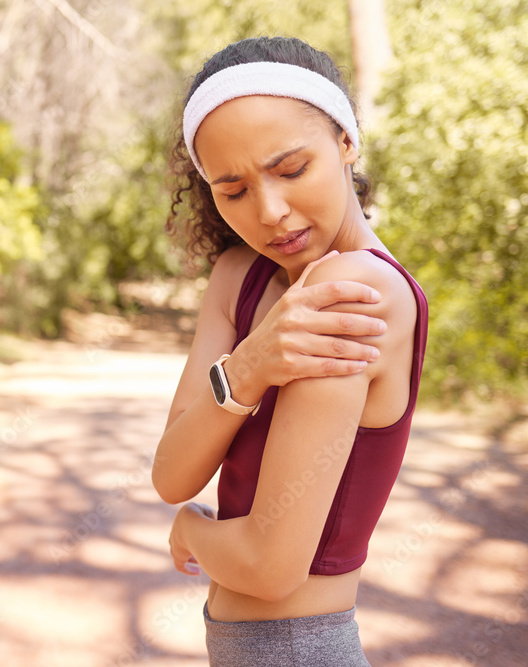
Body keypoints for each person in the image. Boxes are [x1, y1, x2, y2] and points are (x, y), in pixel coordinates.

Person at [152, 36, 428, 666]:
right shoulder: (239, 276)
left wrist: (194, 532)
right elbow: (172, 473)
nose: (270, 212)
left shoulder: (351, 289)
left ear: (347, 143)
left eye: (291, 169)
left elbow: (269, 566)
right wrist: (251, 364)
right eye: (234, 190)